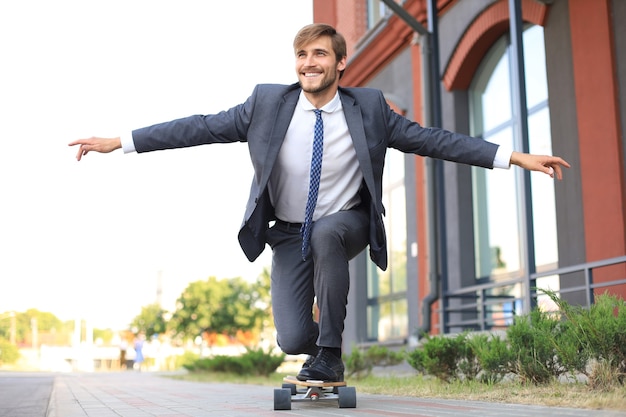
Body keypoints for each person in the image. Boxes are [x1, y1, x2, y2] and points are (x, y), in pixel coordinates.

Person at [69, 23, 570, 382]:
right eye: (302, 55)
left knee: (330, 234)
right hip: (287, 232)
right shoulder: (265, 104)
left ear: (340, 63)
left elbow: (435, 140)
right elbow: (198, 126)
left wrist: (513, 157)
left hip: (346, 222)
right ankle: (319, 348)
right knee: (289, 337)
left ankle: (330, 351)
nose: (309, 63)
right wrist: (122, 142)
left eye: (320, 55)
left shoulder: (369, 108)